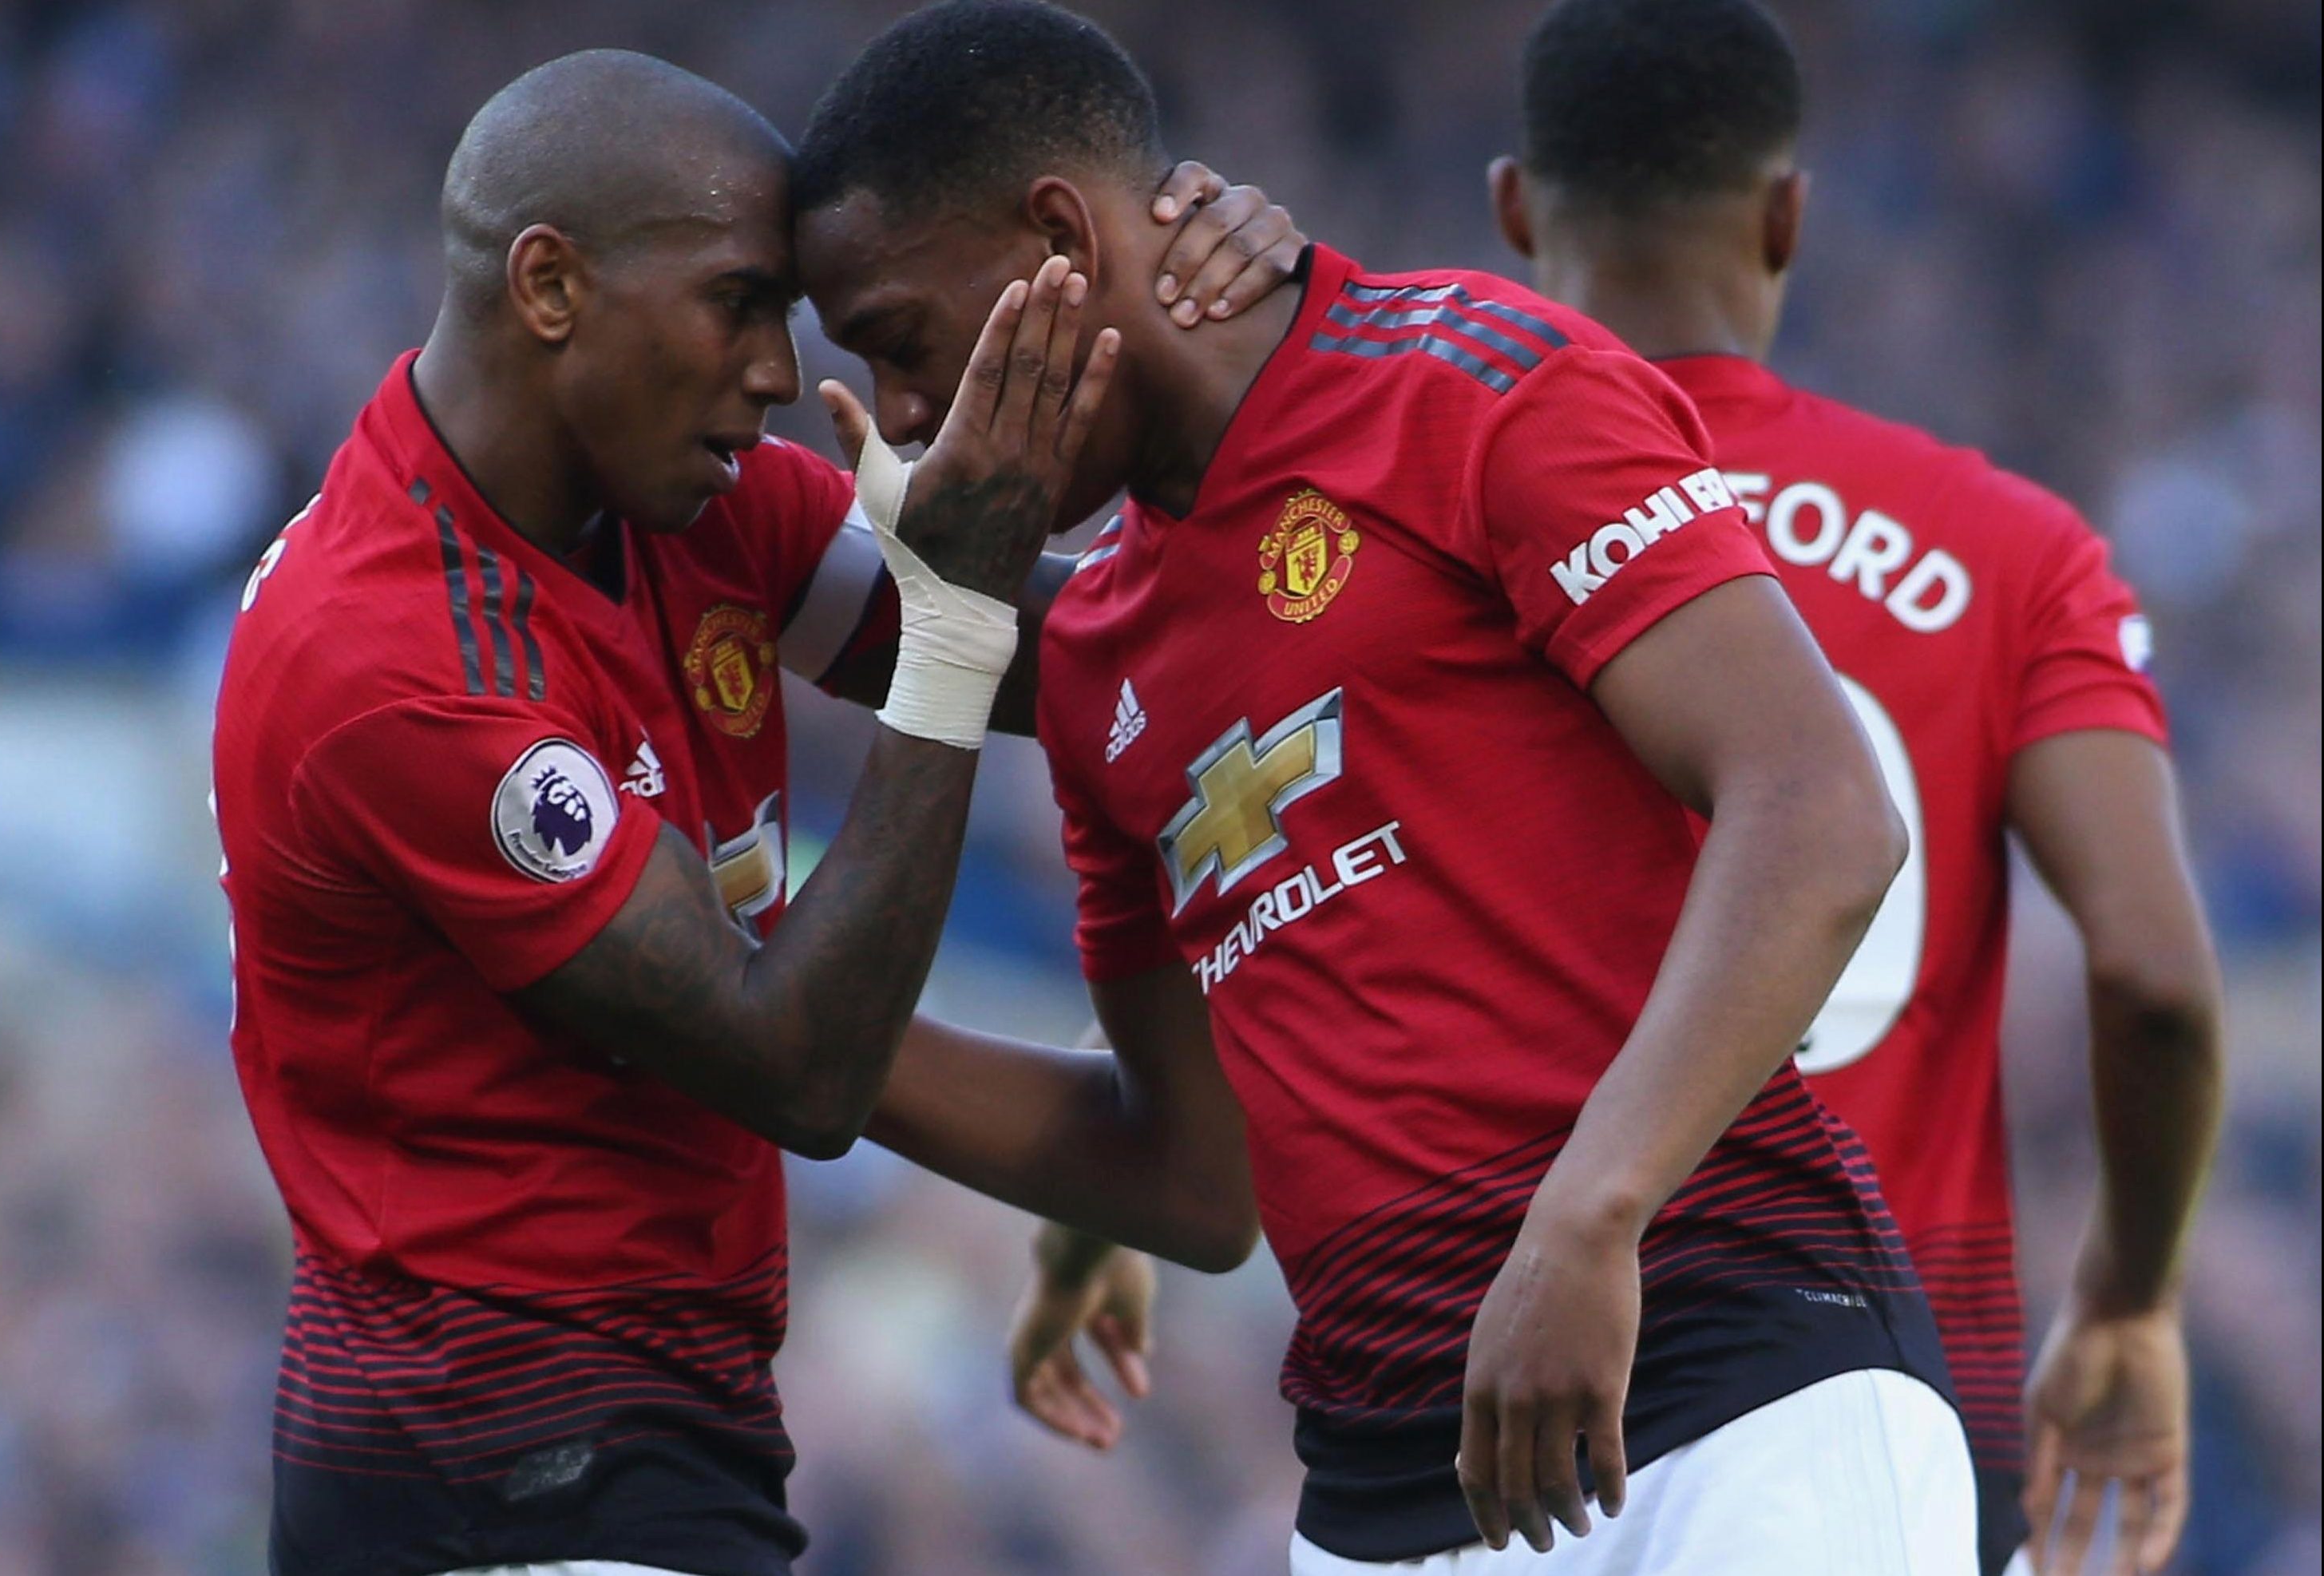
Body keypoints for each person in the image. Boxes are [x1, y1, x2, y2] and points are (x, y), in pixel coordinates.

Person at [793, 3, 1970, 1570]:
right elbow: (1191, 1176)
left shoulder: (1462, 381)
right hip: (1382, 1507)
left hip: (1737, 1403)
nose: (906, 413)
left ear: (1061, 239)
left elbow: (1821, 810)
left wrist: (1590, 1214)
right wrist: (765, 1027)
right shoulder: (1094, 659)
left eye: (902, 342)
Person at [211, 47, 1300, 1576]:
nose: (781, 374)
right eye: (738, 303)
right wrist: (952, 623)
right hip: (498, 1480)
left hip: (641, 1443)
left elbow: (1093, 661)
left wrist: (1215, 361)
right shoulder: (388, 660)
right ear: (550, 286)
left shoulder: (682, 508)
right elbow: (799, 1065)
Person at [1471, 4, 2224, 1571]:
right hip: (1869, 1434)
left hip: (1486, 1427)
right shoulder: (2011, 549)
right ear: (1789, 214)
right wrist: (2128, 1300)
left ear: (1519, 210)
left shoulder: (1423, 542)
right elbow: (2157, 980)